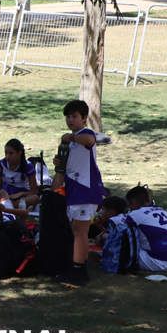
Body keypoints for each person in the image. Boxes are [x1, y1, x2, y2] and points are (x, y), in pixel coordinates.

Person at [53, 99, 105, 287]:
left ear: (83, 118)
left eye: (74, 116)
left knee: (80, 232)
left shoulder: (84, 134)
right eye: (68, 117)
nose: (70, 120)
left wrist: (72, 137)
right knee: (77, 231)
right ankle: (78, 268)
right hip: (74, 190)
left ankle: (78, 270)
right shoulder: (71, 141)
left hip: (86, 190)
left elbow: (90, 140)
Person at [124, 185, 167, 272]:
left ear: (132, 202)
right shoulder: (162, 210)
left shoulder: (134, 215)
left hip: (159, 261)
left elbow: (123, 234)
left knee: (122, 246)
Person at [0, 139, 40, 210]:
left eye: (11, 153)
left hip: (21, 196)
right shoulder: (1, 165)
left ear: (19, 153)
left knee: (35, 198)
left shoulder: (28, 166)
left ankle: (7, 207)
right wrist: (3, 195)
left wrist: (21, 194)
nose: (7, 157)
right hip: (4, 195)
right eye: (6, 153)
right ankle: (16, 207)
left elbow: (34, 191)